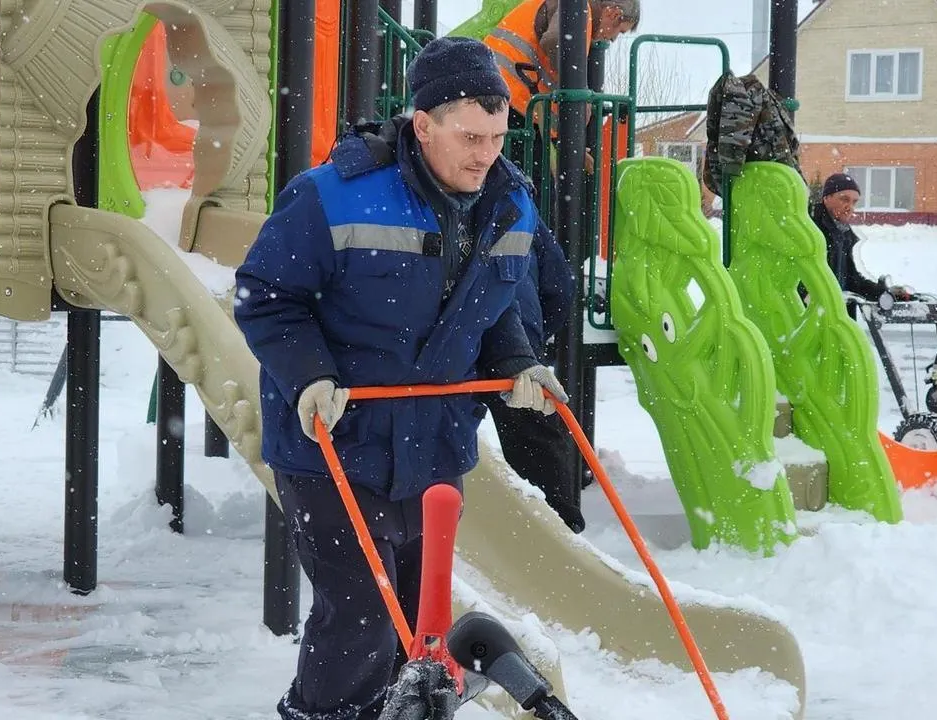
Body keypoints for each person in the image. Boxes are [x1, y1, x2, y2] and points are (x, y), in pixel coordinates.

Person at [233, 36, 568, 720]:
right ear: (424, 124)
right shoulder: (335, 195)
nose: (486, 154)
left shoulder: (510, 206)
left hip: (434, 446)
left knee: (416, 623)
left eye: (498, 137)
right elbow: (266, 295)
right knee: (358, 612)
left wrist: (515, 364)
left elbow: (493, 304)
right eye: (471, 137)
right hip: (335, 442)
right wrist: (310, 377)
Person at [483, 215, 584, 531]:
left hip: (441, 348)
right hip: (518, 339)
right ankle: (559, 530)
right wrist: (532, 334)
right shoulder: (515, 202)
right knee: (534, 426)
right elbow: (559, 287)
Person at [485, 0, 641, 190]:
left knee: (528, 185)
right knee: (531, 188)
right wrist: (578, 90)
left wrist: (571, 139)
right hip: (510, 102)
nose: (612, 39)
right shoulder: (577, 9)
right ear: (613, 14)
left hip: (504, 98)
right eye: (620, 32)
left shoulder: (576, 11)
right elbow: (554, 40)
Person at [810, 172, 905, 317]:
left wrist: (882, 292)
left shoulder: (843, 234)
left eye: (854, 202)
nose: (850, 207)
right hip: (815, 315)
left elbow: (852, 280)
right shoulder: (812, 230)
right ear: (826, 198)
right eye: (844, 199)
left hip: (838, 315)